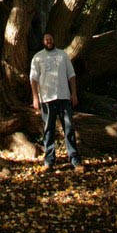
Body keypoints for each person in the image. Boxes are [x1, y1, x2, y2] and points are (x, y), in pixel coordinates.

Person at [29, 32, 82, 171]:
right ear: (43, 41)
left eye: (51, 39)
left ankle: (75, 160)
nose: (49, 41)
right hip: (46, 99)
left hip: (64, 97)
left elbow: (71, 75)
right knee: (48, 130)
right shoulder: (38, 57)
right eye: (46, 39)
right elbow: (33, 79)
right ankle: (49, 161)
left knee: (69, 128)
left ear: (54, 40)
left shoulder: (63, 55)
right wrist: (35, 98)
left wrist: (74, 94)